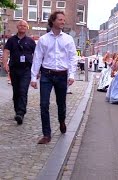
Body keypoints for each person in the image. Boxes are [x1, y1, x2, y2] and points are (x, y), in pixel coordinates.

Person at [30, 11, 78, 144]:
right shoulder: (44, 40)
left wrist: (72, 74)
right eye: (60, 20)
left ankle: (61, 121)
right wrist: (33, 77)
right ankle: (47, 134)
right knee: (44, 104)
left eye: (64, 20)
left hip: (62, 75)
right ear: (53, 21)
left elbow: (73, 57)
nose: (63, 22)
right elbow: (37, 58)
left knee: (61, 103)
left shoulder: (68, 39)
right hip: (47, 75)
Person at [2, 20, 36, 125]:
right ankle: (17, 111)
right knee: (16, 91)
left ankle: (21, 113)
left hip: (26, 69)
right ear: (17, 27)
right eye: (20, 25)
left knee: (23, 90)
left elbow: (37, 55)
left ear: (27, 28)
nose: (22, 27)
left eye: (24, 25)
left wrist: (36, 69)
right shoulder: (11, 40)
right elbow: (6, 52)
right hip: (14, 69)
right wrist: (5, 64)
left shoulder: (31, 41)